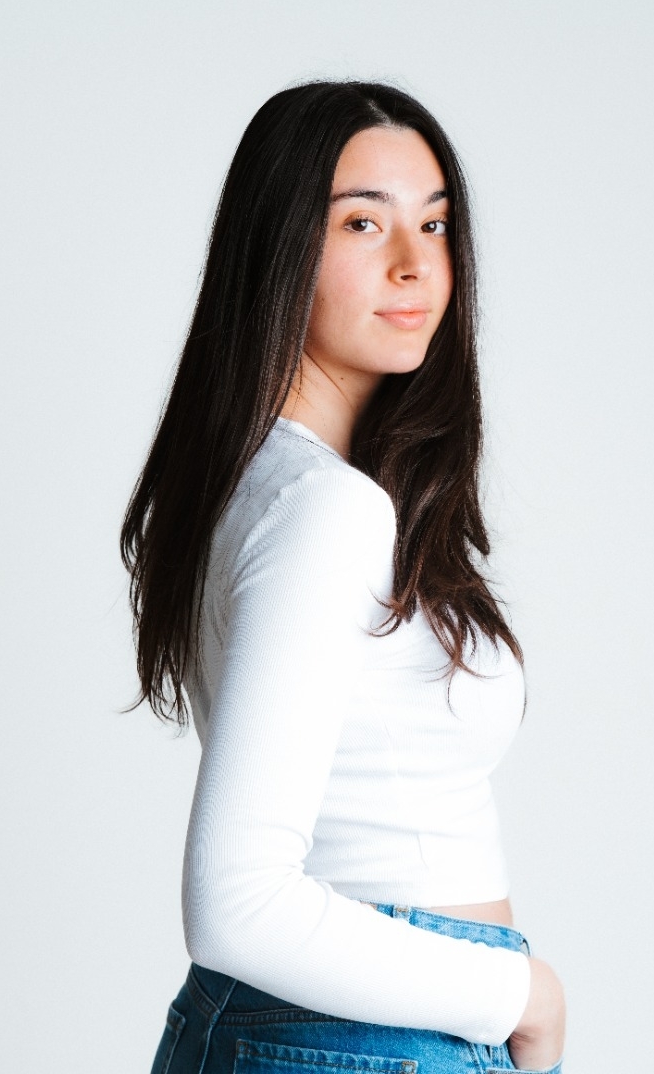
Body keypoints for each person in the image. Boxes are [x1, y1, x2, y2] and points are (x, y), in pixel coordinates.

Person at [121, 80, 566, 1074]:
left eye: (435, 223)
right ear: (278, 248)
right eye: (363, 222)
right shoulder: (325, 508)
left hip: (324, 1031)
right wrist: (522, 997)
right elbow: (235, 900)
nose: (416, 263)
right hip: (369, 1038)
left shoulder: (262, 483)